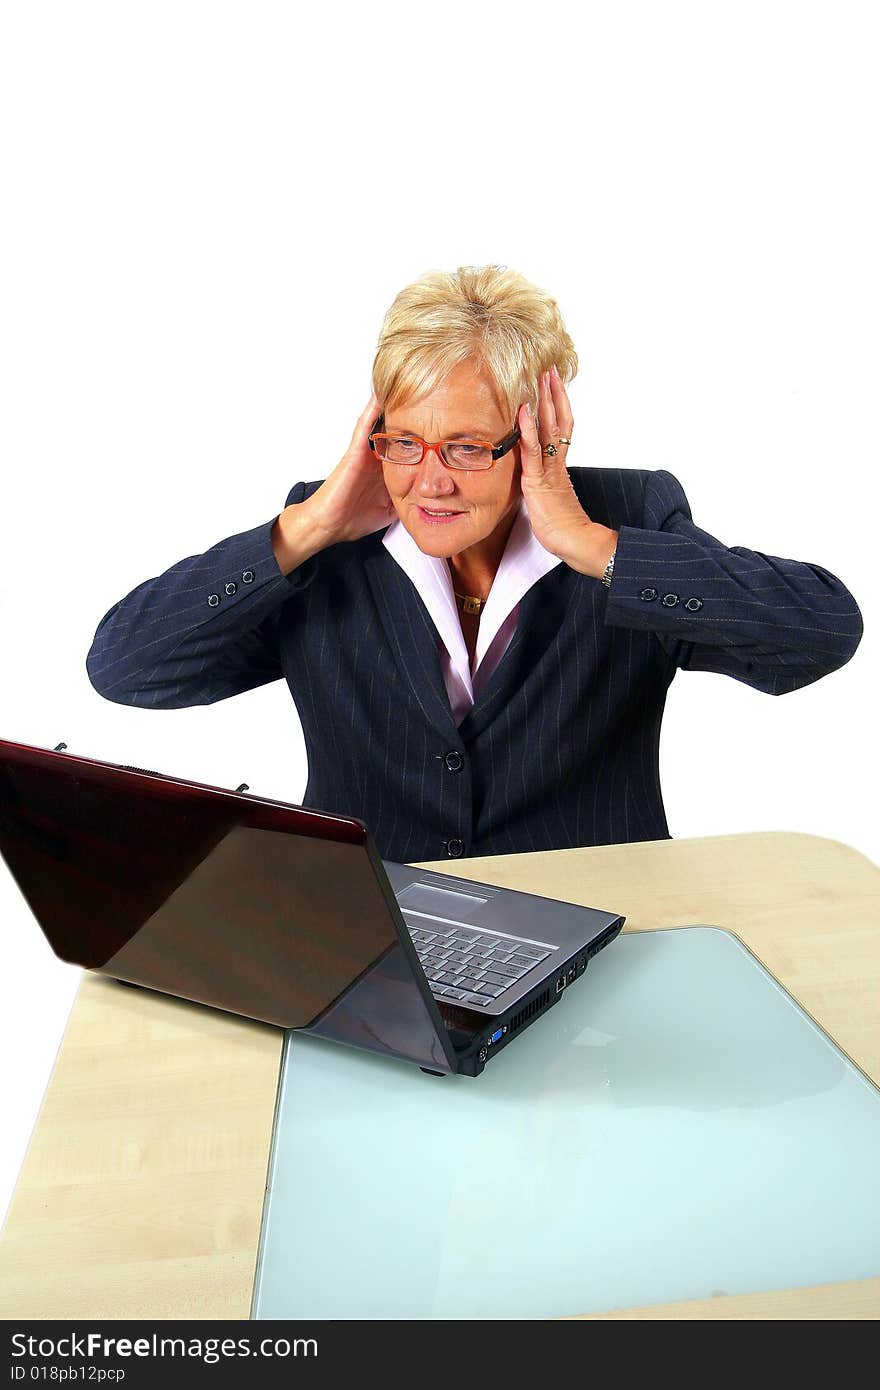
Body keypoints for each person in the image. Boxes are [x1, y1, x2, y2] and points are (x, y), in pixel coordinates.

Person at [86, 265, 863, 864]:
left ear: (534, 437)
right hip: (375, 944)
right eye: (404, 442)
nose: (429, 480)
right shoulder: (324, 545)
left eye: (464, 446)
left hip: (602, 949)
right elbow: (127, 669)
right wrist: (311, 523)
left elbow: (820, 634)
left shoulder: (627, 519)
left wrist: (591, 546)